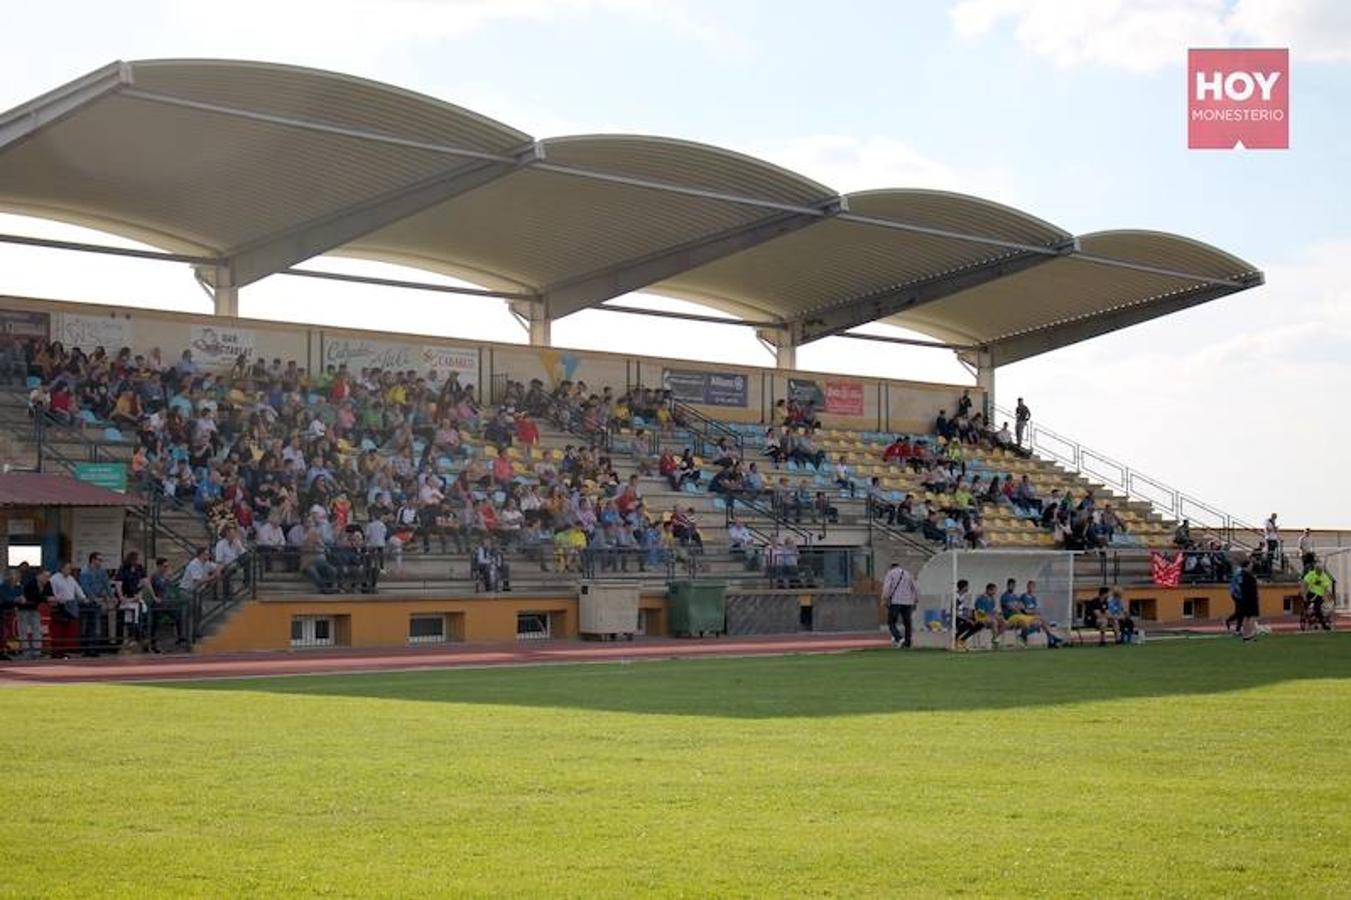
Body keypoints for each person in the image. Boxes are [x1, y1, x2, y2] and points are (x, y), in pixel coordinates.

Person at [879, 560, 919, 649]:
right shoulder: (908, 573)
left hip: (895, 601)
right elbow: (915, 587)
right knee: (907, 623)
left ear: (891, 567)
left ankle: (899, 638)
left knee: (891, 622)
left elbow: (887, 587)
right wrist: (916, 599)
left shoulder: (890, 574)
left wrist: (884, 599)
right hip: (908, 602)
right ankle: (908, 642)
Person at [1302, 562, 1334, 631]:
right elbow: (1305, 583)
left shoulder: (1324, 577)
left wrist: (1325, 596)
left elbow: (1326, 589)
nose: (1320, 572)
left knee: (1318, 608)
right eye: (1318, 570)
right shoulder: (1311, 574)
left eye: (1321, 570)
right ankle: (1310, 615)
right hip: (1311, 593)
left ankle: (1323, 624)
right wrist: (1304, 594)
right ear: (1315, 569)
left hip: (1320, 595)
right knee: (1307, 602)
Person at [1235, 558, 1261, 641]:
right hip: (1250, 599)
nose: (1251, 566)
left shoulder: (1241, 575)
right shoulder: (1248, 576)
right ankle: (1249, 634)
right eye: (1250, 565)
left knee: (1246, 617)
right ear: (1247, 566)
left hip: (1244, 598)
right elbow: (1251, 588)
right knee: (1252, 616)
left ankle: (1245, 634)